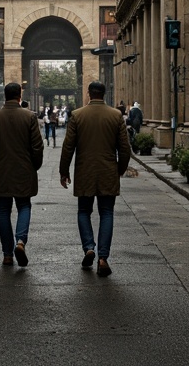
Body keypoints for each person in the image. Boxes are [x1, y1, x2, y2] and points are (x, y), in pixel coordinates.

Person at [59, 80, 132, 278]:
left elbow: (68, 147)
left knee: (84, 211)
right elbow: (125, 149)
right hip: (108, 170)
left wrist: (63, 171)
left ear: (89, 94)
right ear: (105, 93)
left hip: (85, 172)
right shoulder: (116, 115)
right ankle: (103, 258)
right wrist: (120, 169)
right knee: (107, 212)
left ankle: (89, 247)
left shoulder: (77, 115)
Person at [0, 81, 44, 267]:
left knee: (4, 210)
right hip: (25, 170)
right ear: (20, 96)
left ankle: (7, 254)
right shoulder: (29, 117)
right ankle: (20, 241)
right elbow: (37, 146)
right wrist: (35, 165)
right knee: (24, 205)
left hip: (2, 170)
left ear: (4, 96)